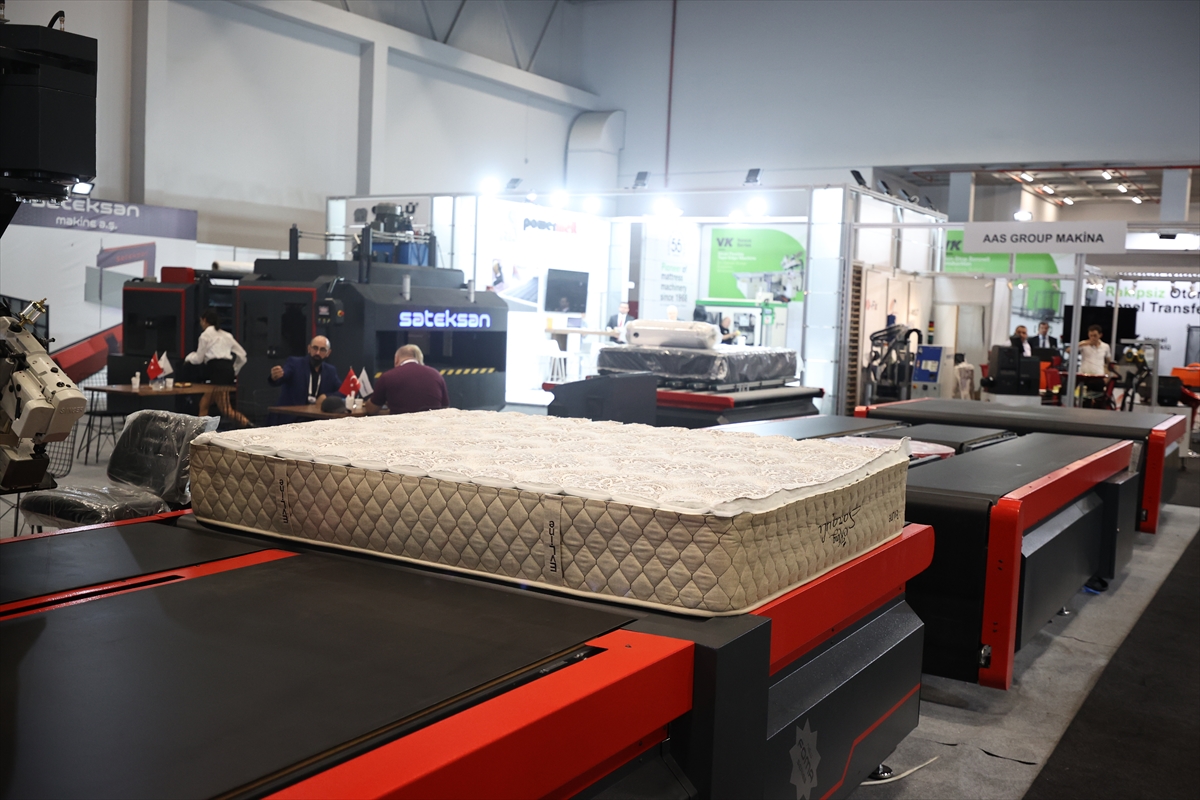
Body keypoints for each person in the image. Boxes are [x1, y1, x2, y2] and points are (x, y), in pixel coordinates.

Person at [184, 309, 251, 426]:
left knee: (221, 407)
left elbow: (199, 359)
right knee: (208, 404)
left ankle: (248, 424)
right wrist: (234, 370)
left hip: (216, 371)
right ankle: (201, 429)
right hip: (227, 370)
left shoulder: (205, 335)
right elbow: (243, 356)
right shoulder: (227, 335)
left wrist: (188, 358)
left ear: (204, 320)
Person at [362, 344, 449, 415]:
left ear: (397, 359)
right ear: (420, 359)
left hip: (401, 427)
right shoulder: (436, 375)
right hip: (432, 427)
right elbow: (445, 407)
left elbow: (372, 410)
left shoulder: (388, 376)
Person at [268, 335, 341, 415]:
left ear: (328, 353)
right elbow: (283, 376)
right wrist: (275, 377)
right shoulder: (295, 363)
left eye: (322, 350)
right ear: (309, 349)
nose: (317, 353)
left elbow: (342, 391)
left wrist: (327, 396)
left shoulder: (330, 371)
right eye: (315, 348)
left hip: (317, 416)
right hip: (292, 416)